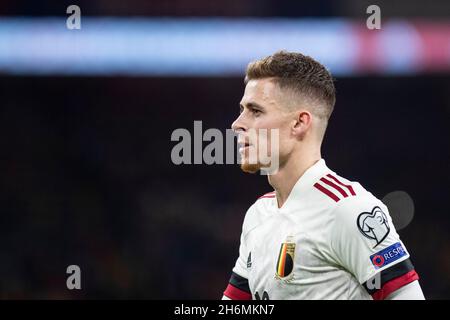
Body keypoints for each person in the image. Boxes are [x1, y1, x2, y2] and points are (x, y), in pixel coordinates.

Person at [223, 51, 425, 300]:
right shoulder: (258, 214)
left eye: (255, 111)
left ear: (299, 123)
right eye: (242, 109)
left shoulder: (348, 208)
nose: (237, 123)